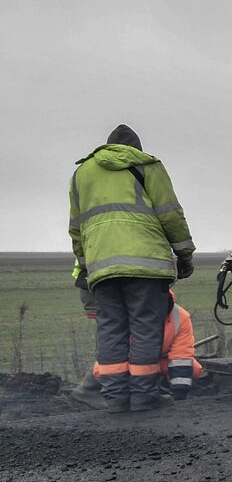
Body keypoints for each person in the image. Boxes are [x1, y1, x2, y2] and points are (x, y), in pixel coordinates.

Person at [69, 125, 195, 411]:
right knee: (145, 329)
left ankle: (114, 399)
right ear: (136, 148)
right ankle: (143, 397)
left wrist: (86, 263)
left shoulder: (81, 174)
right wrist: (184, 254)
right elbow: (170, 214)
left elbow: (76, 228)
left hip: (102, 267)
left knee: (111, 329)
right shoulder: (148, 165)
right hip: (146, 265)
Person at [72, 289, 205, 406]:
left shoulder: (180, 316)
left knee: (194, 369)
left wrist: (179, 397)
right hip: (131, 357)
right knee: (109, 368)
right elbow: (119, 349)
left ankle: (156, 389)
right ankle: (88, 391)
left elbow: (181, 356)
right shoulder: (128, 314)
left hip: (158, 357)